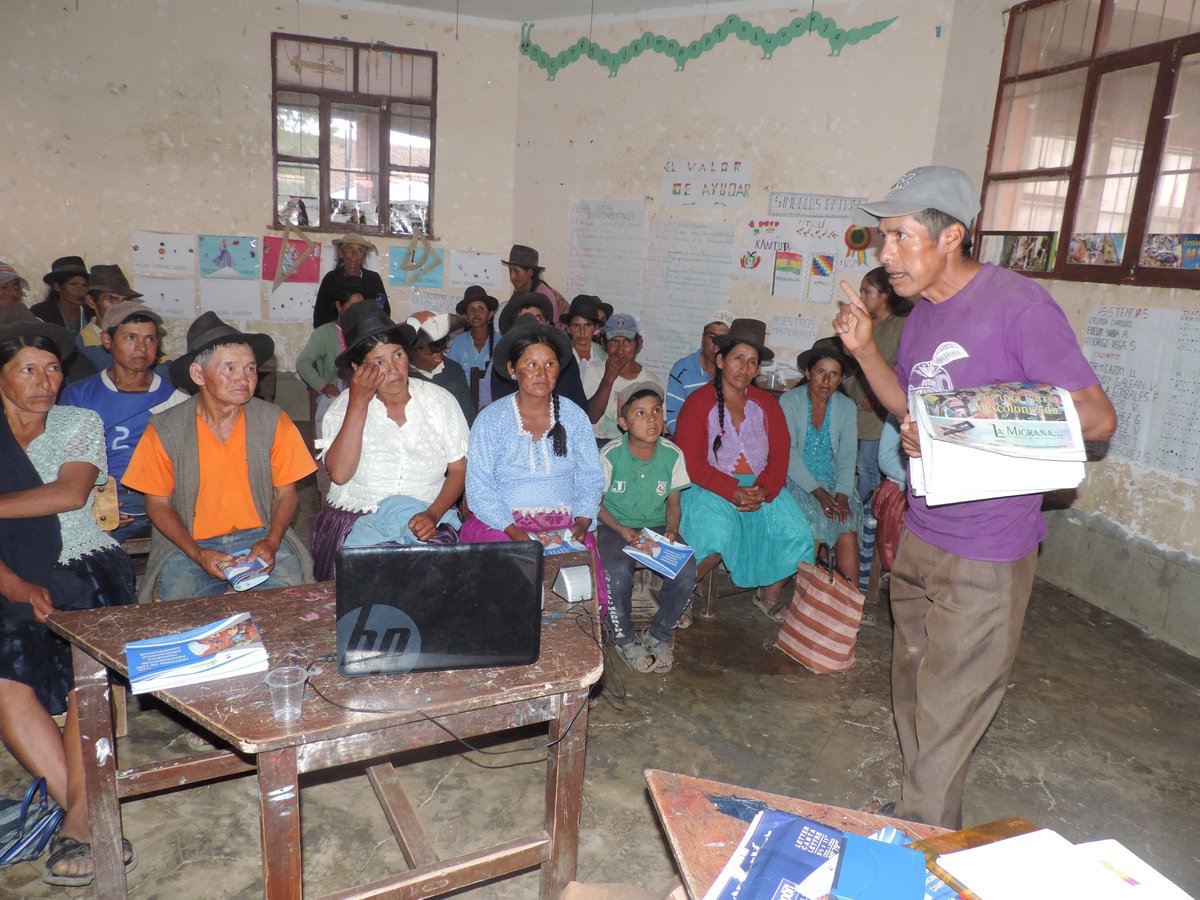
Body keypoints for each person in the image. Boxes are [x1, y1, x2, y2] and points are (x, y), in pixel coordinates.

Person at [833, 165, 1117, 828]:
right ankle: (925, 813)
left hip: (987, 552)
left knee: (950, 708)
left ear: (951, 237)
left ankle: (918, 841)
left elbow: (1096, 418)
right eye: (883, 238)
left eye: (900, 237)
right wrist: (866, 351)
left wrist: (963, 432)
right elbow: (914, 410)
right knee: (912, 692)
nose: (886, 255)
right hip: (925, 532)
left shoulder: (1018, 306)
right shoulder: (925, 314)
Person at [0, 316, 137, 887]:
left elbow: (70, 493)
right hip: (7, 573)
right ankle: (82, 811)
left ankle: (77, 816)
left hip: (80, 564)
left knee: (87, 670)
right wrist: (12, 585)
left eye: (52, 368)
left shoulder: (78, 421)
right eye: (27, 369)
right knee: (4, 676)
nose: (44, 380)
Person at [122, 312, 316, 601]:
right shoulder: (165, 429)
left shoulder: (273, 420)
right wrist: (198, 554)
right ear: (199, 375)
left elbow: (286, 495)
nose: (243, 378)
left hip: (259, 536)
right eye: (230, 368)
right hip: (188, 542)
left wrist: (272, 542)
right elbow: (158, 505)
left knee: (290, 604)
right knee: (180, 610)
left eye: (250, 369)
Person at [310, 304, 468, 580]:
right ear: (358, 369)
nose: (393, 370)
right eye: (378, 362)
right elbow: (340, 474)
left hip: (427, 517)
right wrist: (358, 403)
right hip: (356, 521)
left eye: (397, 355)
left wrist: (433, 514)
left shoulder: (439, 401)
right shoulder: (342, 408)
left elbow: (458, 468)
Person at [462, 321, 607, 610]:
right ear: (513, 369)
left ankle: (568, 649)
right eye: (532, 364)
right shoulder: (491, 420)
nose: (542, 373)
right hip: (502, 524)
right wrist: (515, 532)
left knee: (578, 591)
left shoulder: (574, 416)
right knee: (511, 580)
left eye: (550, 364)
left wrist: (582, 520)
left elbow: (591, 476)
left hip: (565, 524)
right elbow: (478, 486)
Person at [674, 318, 814, 609]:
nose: (745, 369)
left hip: (760, 489)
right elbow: (691, 461)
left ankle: (770, 594)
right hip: (709, 487)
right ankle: (678, 599)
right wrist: (731, 490)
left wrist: (763, 490)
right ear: (722, 360)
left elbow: (780, 455)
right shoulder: (699, 402)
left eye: (752, 362)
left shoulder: (767, 404)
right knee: (716, 534)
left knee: (798, 535)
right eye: (739, 359)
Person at [61, 301, 179, 543]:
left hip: (161, 501)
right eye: (130, 338)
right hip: (99, 496)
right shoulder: (80, 396)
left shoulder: (174, 398)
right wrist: (97, 501)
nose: (141, 347)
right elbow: (64, 463)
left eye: (149, 339)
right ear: (106, 340)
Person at [597, 383, 695, 674]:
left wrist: (671, 531)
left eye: (656, 411)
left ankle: (658, 634)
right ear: (623, 423)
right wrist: (621, 529)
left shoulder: (672, 454)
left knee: (686, 571)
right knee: (616, 572)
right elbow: (595, 503)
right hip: (614, 525)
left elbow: (673, 502)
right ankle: (625, 638)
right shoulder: (610, 455)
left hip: (654, 527)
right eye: (640, 413)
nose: (651, 419)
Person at [777, 338, 862, 618]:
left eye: (834, 374)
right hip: (797, 479)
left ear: (842, 378)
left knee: (846, 523)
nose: (826, 381)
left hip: (835, 482)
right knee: (815, 519)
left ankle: (851, 605)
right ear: (807, 373)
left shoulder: (846, 408)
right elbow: (787, 454)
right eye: (820, 372)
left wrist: (841, 494)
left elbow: (849, 454)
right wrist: (821, 495)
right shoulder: (789, 401)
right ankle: (805, 604)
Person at [841, 267, 909, 503]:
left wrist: (877, 393)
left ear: (885, 294)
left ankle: (867, 519)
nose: (861, 297)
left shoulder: (901, 325)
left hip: (880, 409)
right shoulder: (870, 323)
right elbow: (851, 358)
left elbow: (902, 366)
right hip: (857, 403)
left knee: (868, 466)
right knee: (856, 465)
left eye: (866, 291)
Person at [487, 292, 589, 410]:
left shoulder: (566, 360)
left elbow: (581, 407)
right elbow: (502, 409)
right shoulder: (504, 363)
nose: (533, 323)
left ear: (547, 323)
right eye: (524, 319)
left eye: (539, 318)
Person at [295, 275, 368, 437]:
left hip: (362, 396)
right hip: (335, 398)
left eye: (361, 307)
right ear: (338, 306)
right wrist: (322, 385)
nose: (357, 313)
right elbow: (303, 363)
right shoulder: (324, 333)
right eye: (352, 307)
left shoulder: (365, 332)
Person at [584, 313, 664, 442]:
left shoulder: (650, 381)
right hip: (599, 445)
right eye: (614, 342)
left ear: (638, 342)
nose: (620, 350)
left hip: (637, 447)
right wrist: (608, 379)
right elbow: (591, 417)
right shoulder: (594, 374)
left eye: (627, 342)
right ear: (604, 344)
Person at [666, 313, 733, 434]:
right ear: (702, 339)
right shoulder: (682, 370)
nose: (716, 345)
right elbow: (673, 421)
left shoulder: (734, 372)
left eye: (723, 339)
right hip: (690, 440)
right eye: (711, 337)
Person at [406, 310, 476, 425]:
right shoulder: (403, 377)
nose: (439, 358)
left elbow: (468, 417)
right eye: (430, 354)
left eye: (442, 351)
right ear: (411, 352)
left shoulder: (454, 370)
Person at [77, 264, 145, 373]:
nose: (120, 307)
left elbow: (165, 368)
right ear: (91, 302)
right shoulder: (82, 346)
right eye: (111, 300)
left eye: (125, 301)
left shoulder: (139, 333)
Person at [312, 233, 389, 328]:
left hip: (366, 334)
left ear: (363, 256)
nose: (354, 255)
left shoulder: (373, 279)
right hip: (335, 335)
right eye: (349, 249)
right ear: (341, 253)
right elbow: (319, 319)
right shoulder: (331, 279)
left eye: (359, 251)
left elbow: (384, 313)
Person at [448, 285, 499, 405]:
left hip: (492, 405)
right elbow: (451, 374)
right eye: (471, 309)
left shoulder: (501, 343)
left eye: (481, 309)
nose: (476, 313)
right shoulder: (459, 343)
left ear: (490, 314)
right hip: (463, 404)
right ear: (465, 316)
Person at [502, 244, 569, 326]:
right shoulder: (519, 292)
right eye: (510, 270)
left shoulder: (545, 295)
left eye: (516, 271)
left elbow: (552, 328)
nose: (512, 276)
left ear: (530, 272)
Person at [31, 256, 92, 335]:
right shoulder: (41, 313)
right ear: (57, 287)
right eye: (73, 284)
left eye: (84, 285)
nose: (80, 290)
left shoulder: (91, 313)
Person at [561, 294, 607, 383]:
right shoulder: (561, 355)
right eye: (576, 326)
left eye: (588, 325)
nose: (582, 332)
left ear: (595, 327)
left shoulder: (604, 356)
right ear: (568, 328)